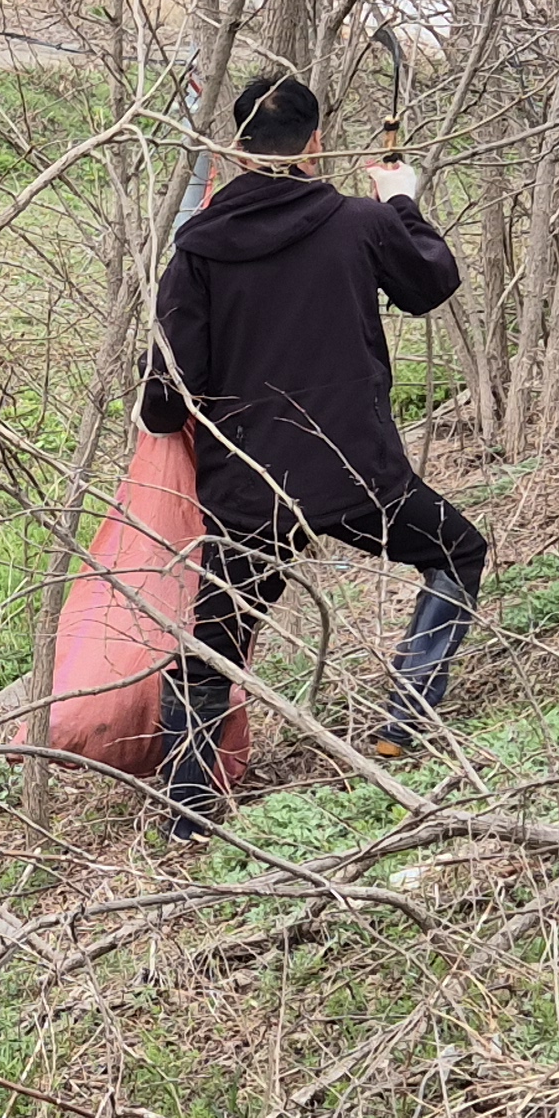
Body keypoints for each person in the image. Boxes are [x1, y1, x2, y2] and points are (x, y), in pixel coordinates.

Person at [137, 68, 488, 834]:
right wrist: (401, 199)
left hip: (250, 494)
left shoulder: (198, 250)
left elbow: (166, 395)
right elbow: (431, 280)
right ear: (316, 143)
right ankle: (405, 721)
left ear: (235, 149)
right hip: (358, 475)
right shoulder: (359, 222)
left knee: (213, 646)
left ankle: (186, 814)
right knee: (458, 552)